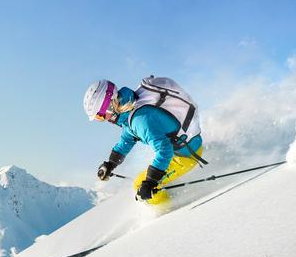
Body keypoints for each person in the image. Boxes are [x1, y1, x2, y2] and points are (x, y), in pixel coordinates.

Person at [83, 76, 206, 206]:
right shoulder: (131, 109)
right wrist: (110, 164)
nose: (102, 119)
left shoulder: (140, 120)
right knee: (145, 180)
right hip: (186, 147)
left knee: (139, 185)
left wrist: (151, 182)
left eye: (100, 115)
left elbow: (164, 150)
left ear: (109, 105)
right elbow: (126, 139)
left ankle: (172, 212)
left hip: (187, 156)